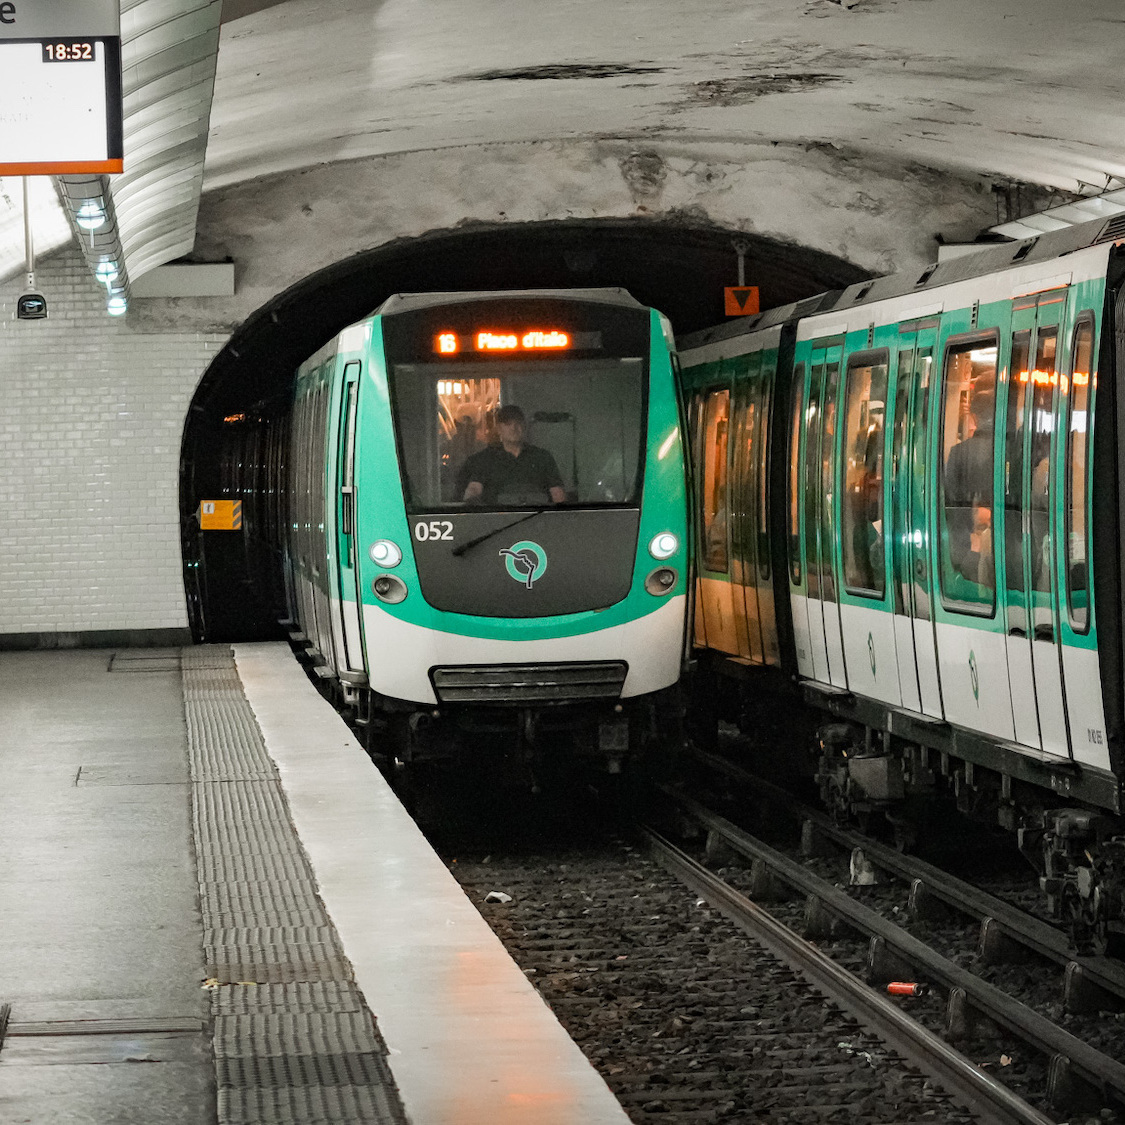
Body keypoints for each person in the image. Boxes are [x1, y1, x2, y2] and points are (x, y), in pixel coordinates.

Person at [460, 404, 566, 505]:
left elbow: (557, 493)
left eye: (518, 423)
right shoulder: (484, 459)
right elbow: (474, 489)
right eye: (508, 424)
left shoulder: (542, 457)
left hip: (540, 520)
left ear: (524, 426)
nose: (514, 428)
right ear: (499, 429)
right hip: (498, 522)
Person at [944, 387, 995, 586]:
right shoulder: (1013, 451)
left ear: (974, 417)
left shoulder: (958, 453)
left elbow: (951, 502)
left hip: (967, 547)